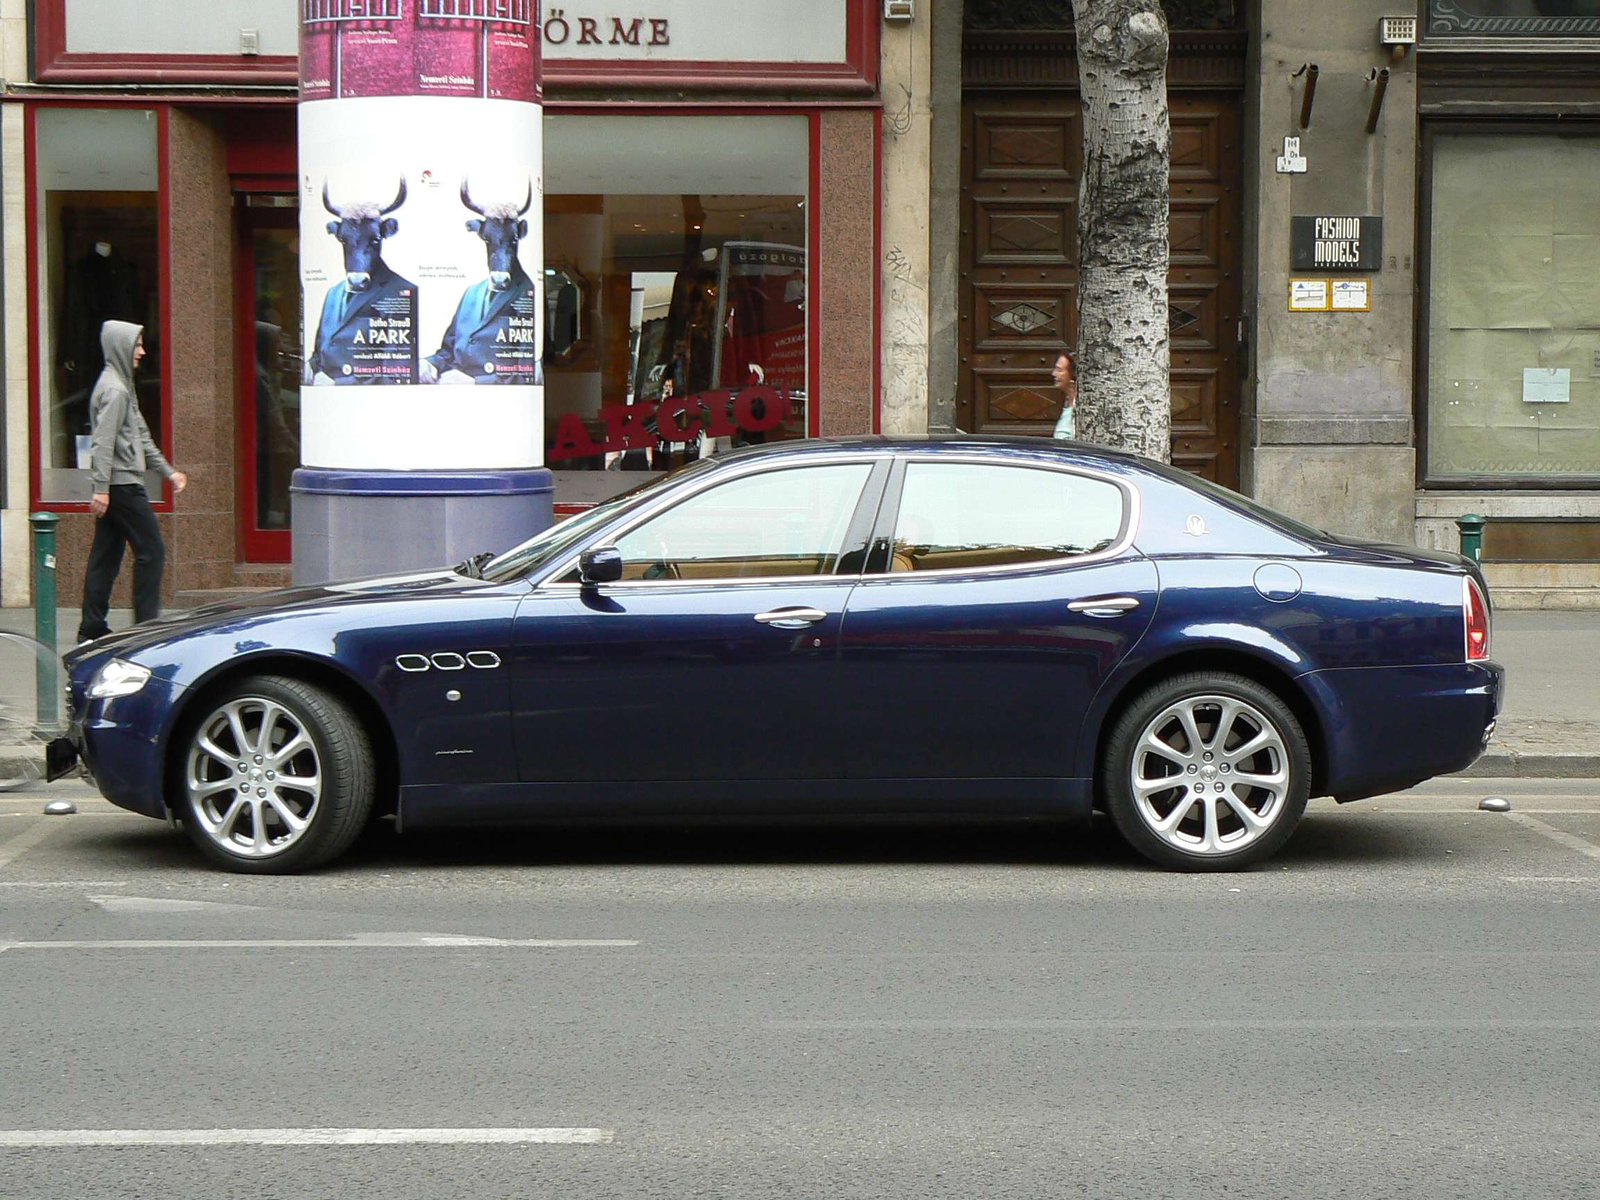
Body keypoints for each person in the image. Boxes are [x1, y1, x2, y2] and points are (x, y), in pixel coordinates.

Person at [77, 320, 187, 642]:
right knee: (151, 550)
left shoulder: (122, 385)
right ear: (120, 347)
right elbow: (102, 442)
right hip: (121, 486)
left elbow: (142, 438)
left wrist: (169, 472)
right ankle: (147, 629)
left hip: (118, 484)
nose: (142, 351)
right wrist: (101, 489)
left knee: (106, 556)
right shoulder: (115, 390)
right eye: (137, 345)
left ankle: (91, 628)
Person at [1051, 350, 1078, 440]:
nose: (1054, 374)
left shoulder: (1080, 406)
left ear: (1073, 374)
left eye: (1059, 370)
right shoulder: (1067, 400)